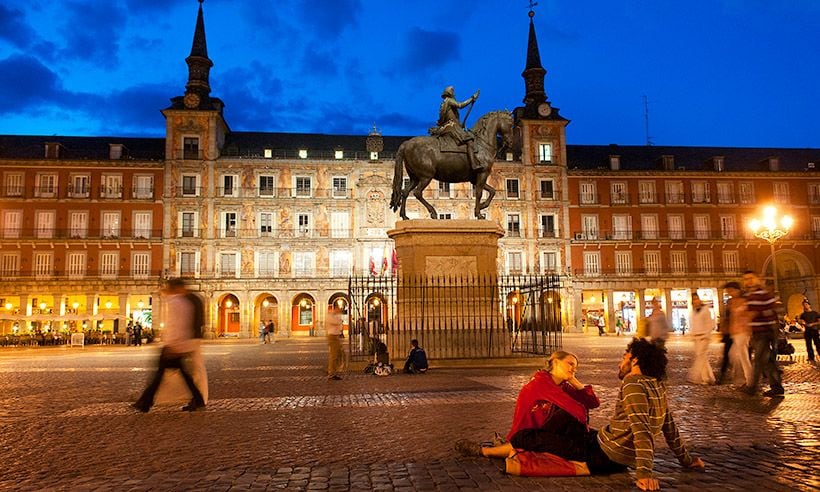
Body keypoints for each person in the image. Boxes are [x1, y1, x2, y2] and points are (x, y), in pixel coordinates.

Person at [455, 351, 606, 471]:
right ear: (555, 362)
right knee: (573, 421)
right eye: (570, 364)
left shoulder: (562, 385)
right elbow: (577, 410)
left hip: (544, 431)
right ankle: (487, 451)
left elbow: (593, 403)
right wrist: (582, 431)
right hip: (527, 434)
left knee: (594, 435)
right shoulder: (543, 382)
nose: (574, 368)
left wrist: (574, 380)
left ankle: (501, 446)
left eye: (576, 366)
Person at [132, 278, 207, 412]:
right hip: (181, 343)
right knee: (181, 374)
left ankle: (145, 402)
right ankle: (198, 399)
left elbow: (176, 325)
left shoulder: (176, 302)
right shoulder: (185, 301)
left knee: (160, 374)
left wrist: (172, 344)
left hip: (174, 345)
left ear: (174, 288)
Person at [742, 271, 785, 396]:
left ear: (757, 279)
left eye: (751, 278)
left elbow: (775, 310)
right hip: (758, 332)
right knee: (767, 361)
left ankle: (752, 387)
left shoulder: (763, 294)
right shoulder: (751, 295)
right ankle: (777, 386)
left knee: (759, 360)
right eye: (745, 279)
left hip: (764, 332)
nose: (748, 281)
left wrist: (756, 314)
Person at [431, 85, 483, 171]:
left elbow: (447, 118)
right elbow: (460, 105)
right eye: (453, 91)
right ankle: (473, 164)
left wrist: (459, 125)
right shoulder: (449, 100)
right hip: (452, 127)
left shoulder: (444, 103)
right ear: (450, 93)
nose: (454, 93)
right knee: (469, 141)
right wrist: (471, 99)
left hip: (447, 126)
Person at [687, 293, 715, 385]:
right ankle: (709, 377)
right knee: (703, 358)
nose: (695, 301)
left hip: (704, 337)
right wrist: (692, 335)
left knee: (700, 357)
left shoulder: (705, 310)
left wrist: (707, 335)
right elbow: (692, 325)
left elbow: (709, 324)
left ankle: (698, 377)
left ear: (699, 299)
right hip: (696, 337)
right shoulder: (693, 312)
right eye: (693, 299)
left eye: (696, 299)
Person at [326, 305, 345, 380]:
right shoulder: (330, 315)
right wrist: (339, 320)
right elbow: (337, 322)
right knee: (334, 355)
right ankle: (331, 373)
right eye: (339, 309)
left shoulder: (334, 315)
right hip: (332, 337)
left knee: (338, 354)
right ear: (335, 308)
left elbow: (339, 323)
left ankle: (333, 370)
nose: (339, 311)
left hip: (335, 336)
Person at [797, 299, 820, 364]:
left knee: (818, 343)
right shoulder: (803, 314)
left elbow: (819, 321)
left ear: (809, 305)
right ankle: (811, 357)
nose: (805, 306)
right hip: (807, 331)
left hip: (814, 330)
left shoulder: (815, 313)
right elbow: (800, 321)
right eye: (804, 305)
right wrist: (802, 322)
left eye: (806, 305)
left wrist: (812, 324)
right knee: (808, 344)